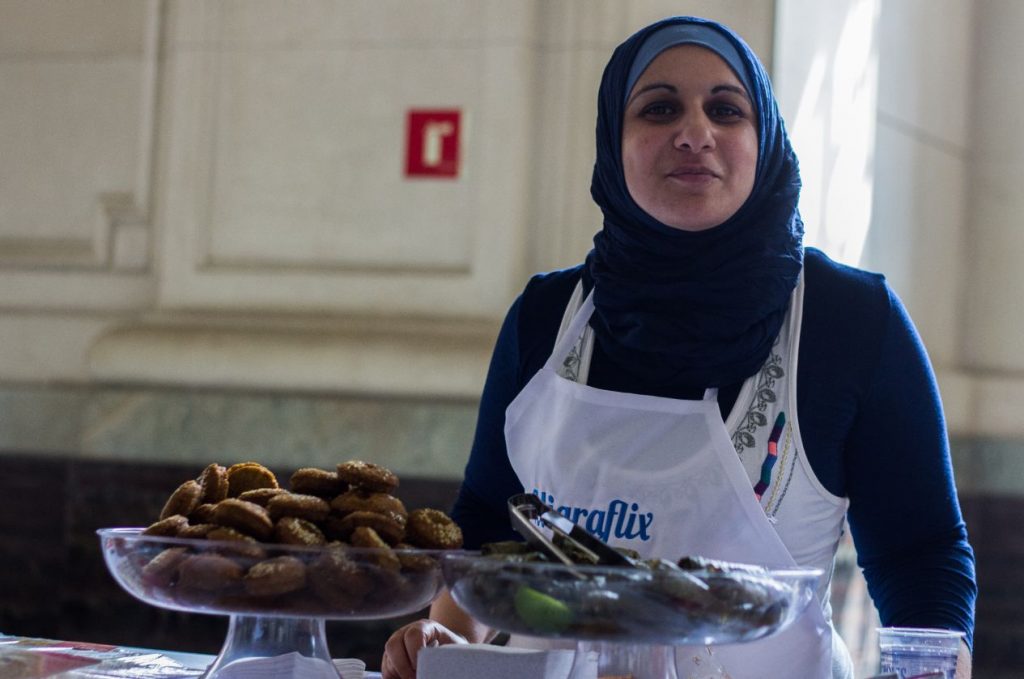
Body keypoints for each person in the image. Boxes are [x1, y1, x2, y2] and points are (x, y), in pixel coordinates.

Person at [382, 15, 976, 679]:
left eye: (726, 109)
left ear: (766, 139)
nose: (695, 134)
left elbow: (918, 554)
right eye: (659, 108)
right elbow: (491, 522)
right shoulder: (547, 318)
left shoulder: (852, 321)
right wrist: (439, 636)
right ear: (615, 139)